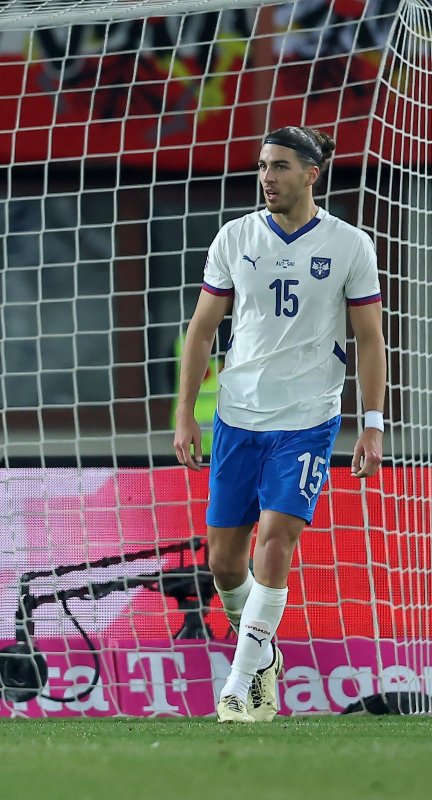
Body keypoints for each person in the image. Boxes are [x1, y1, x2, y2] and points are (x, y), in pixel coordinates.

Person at [173, 126, 386, 724]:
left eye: (281, 166)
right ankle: (263, 654)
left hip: (308, 418)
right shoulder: (235, 236)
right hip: (238, 415)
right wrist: (187, 411)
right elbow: (202, 329)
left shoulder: (350, 245)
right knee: (223, 563)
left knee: (275, 540)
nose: (267, 177)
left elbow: (370, 339)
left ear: (312, 174)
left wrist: (371, 424)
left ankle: (238, 685)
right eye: (263, 165)